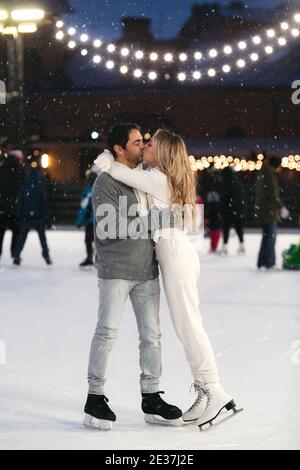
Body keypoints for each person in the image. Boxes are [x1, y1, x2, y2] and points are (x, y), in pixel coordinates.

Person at [95, 129, 241, 429]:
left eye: (150, 145)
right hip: (175, 254)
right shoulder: (161, 176)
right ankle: (206, 390)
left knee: (188, 324)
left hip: (174, 254)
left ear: (161, 153)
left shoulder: (157, 178)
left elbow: (119, 172)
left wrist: (107, 160)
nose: (145, 147)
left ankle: (212, 388)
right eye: (144, 143)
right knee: (185, 324)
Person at [84, 123, 182, 431]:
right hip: (116, 271)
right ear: (119, 149)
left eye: (144, 141)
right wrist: (157, 219)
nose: (143, 146)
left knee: (152, 336)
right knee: (107, 333)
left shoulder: (144, 179)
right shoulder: (105, 183)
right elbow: (108, 229)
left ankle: (151, 397)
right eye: (137, 142)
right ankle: (95, 397)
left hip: (146, 271)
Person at [13, 167, 52, 266]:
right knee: (42, 239)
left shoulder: (24, 187)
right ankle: (46, 256)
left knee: (22, 238)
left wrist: (19, 215)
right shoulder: (40, 187)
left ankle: (17, 255)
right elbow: (44, 204)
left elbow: (20, 203)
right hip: (38, 218)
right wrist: (46, 217)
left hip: (26, 218)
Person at [255, 155, 283, 270]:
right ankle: (269, 262)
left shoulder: (263, 173)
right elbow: (273, 194)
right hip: (269, 211)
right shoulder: (270, 175)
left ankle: (263, 261)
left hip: (264, 210)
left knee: (267, 237)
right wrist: (281, 207)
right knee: (270, 237)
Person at [0, 142, 25, 261]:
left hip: (2, 206)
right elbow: (23, 188)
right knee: (16, 231)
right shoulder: (20, 171)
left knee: (1, 232)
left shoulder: (2, 168)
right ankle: (15, 253)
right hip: (15, 206)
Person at [220, 167, 246, 256]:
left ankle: (225, 248)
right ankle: (242, 246)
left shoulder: (225, 185)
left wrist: (222, 210)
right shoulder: (239, 185)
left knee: (226, 230)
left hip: (228, 211)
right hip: (238, 211)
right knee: (239, 229)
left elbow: (224, 200)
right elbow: (242, 199)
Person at [76, 169, 97, 267]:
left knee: (92, 241)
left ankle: (92, 258)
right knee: (93, 241)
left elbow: (83, 207)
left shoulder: (90, 190)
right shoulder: (93, 190)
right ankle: (92, 258)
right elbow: (83, 207)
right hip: (95, 220)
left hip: (95, 220)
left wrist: (79, 221)